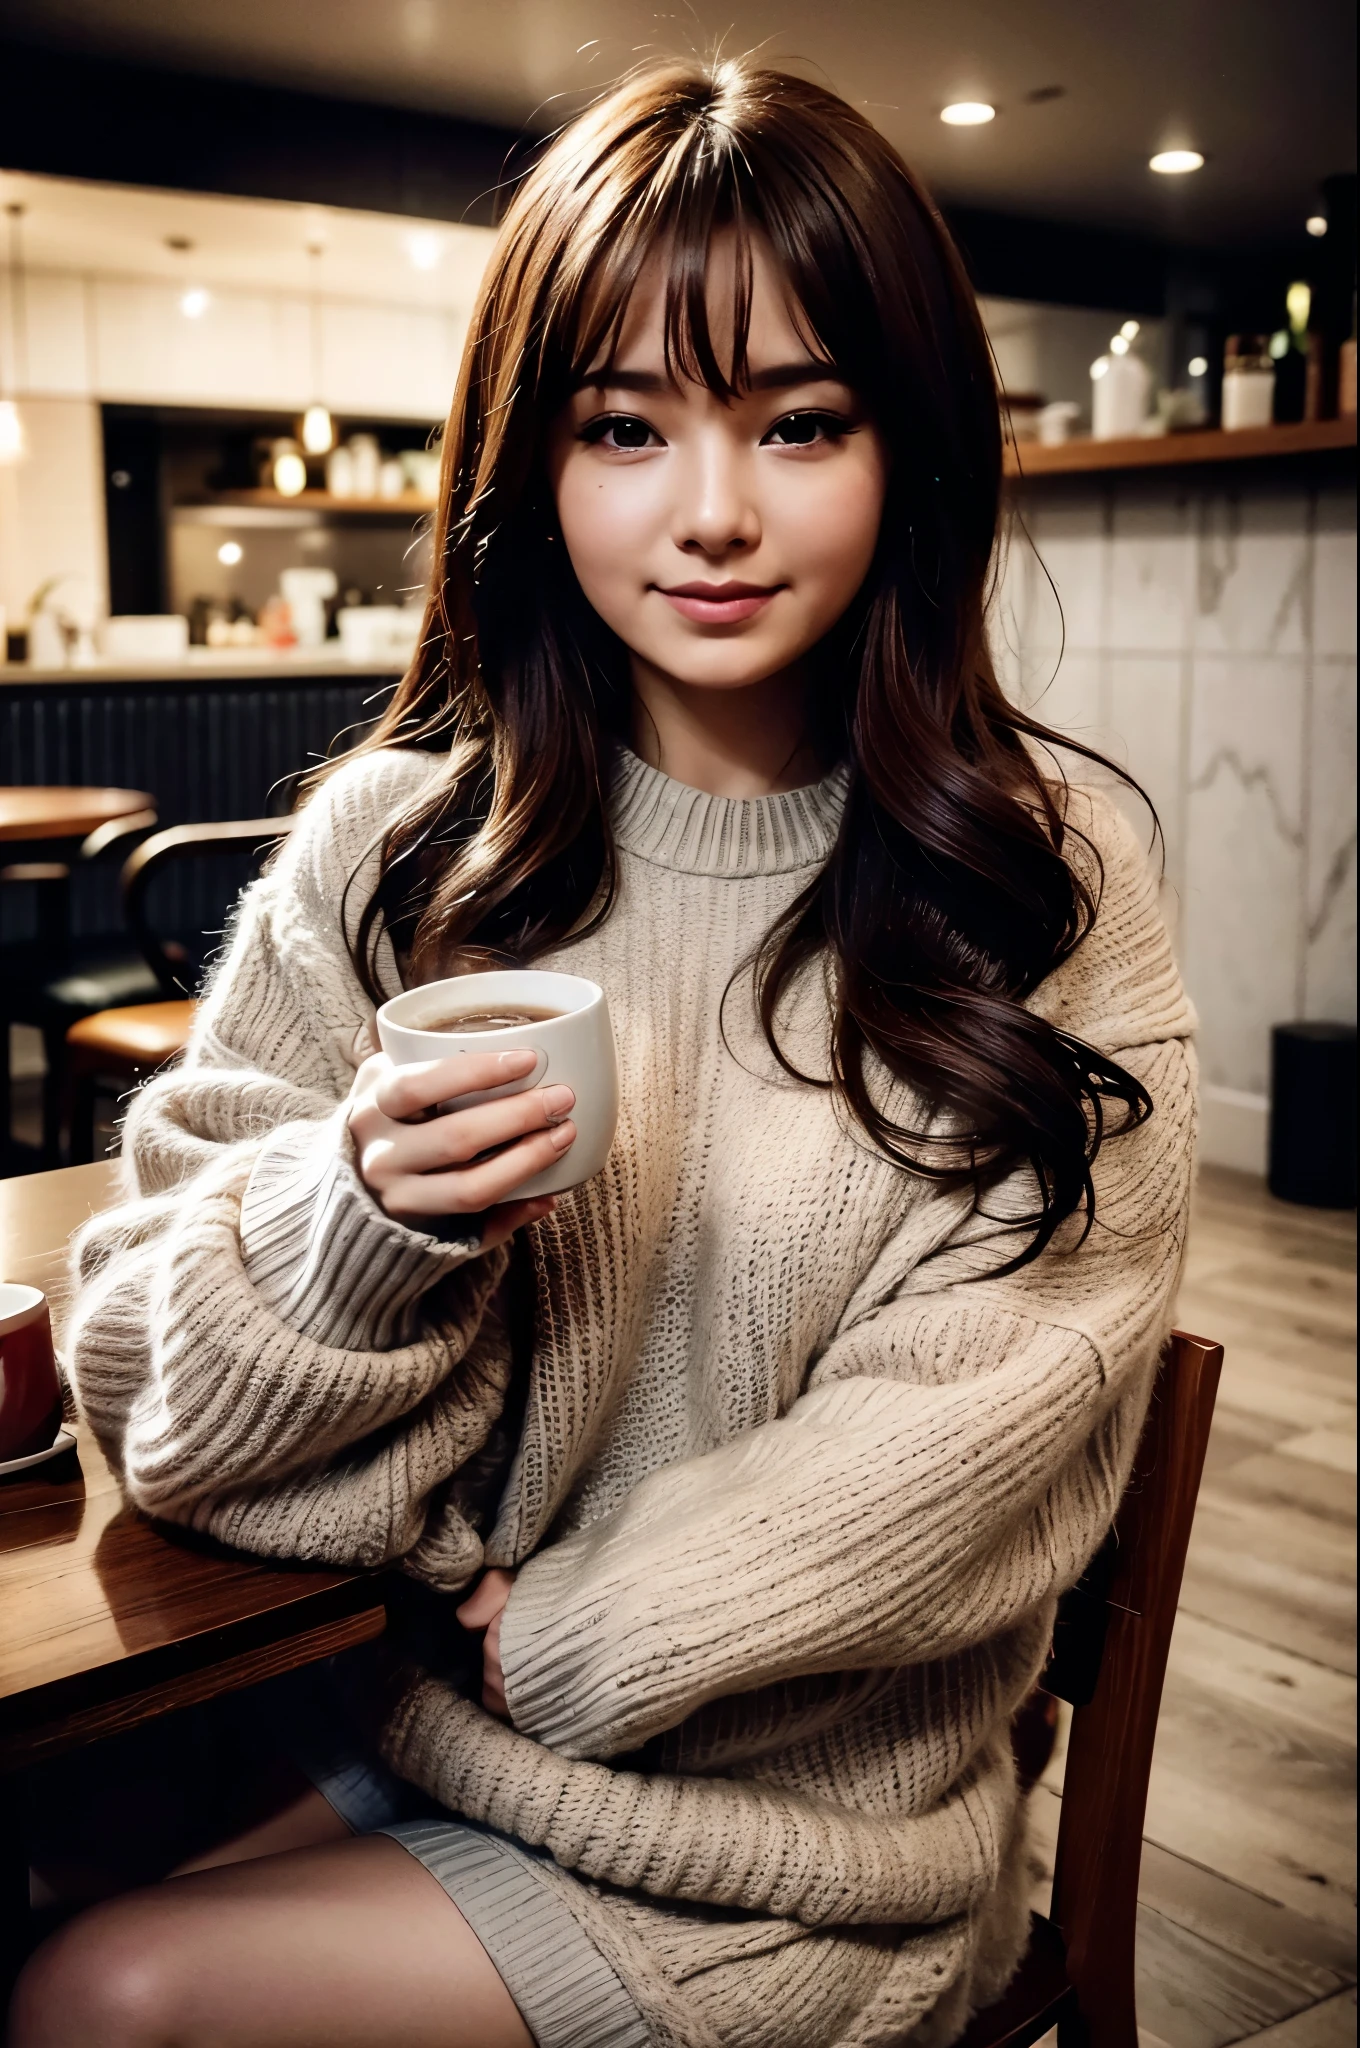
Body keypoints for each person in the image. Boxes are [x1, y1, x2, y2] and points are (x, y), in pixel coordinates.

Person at [11, 57, 1196, 2048]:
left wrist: (568, 1628)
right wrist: (365, 1210)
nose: (710, 512)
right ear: (528, 468)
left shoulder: (1038, 887)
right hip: (392, 1722)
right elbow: (156, 1405)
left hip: (789, 1852)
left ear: (905, 451)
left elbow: (970, 1419)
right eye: (624, 427)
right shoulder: (393, 853)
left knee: (105, 1991)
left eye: (796, 422)